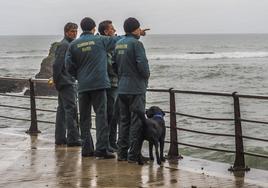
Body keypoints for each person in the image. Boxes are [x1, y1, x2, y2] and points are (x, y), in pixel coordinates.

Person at [65, 17, 120, 158]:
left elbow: (68, 66)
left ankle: (87, 148)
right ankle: (101, 149)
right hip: (99, 84)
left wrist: (79, 76)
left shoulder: (73, 45)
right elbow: (117, 40)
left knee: (84, 118)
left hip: (83, 85)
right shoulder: (100, 40)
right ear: (94, 28)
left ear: (82, 28)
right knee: (101, 116)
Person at [114, 17, 150, 163]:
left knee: (124, 122)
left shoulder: (119, 43)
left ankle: (122, 153)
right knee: (137, 122)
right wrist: (146, 75)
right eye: (139, 28)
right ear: (135, 29)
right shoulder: (137, 44)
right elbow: (142, 65)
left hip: (122, 88)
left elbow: (114, 64)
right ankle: (133, 155)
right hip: (136, 89)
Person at [52, 22, 81, 146]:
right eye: (72, 31)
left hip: (65, 82)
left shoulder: (68, 44)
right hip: (66, 82)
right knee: (71, 110)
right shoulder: (65, 45)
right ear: (66, 32)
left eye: (76, 31)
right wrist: (58, 81)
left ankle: (60, 138)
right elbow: (57, 65)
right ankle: (73, 139)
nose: (74, 33)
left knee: (62, 110)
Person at [98, 20, 119, 152]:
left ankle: (112, 142)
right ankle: (109, 143)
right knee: (110, 115)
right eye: (112, 29)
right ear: (106, 32)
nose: (115, 30)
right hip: (110, 85)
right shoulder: (105, 47)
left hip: (113, 84)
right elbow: (110, 65)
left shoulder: (108, 44)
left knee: (113, 115)